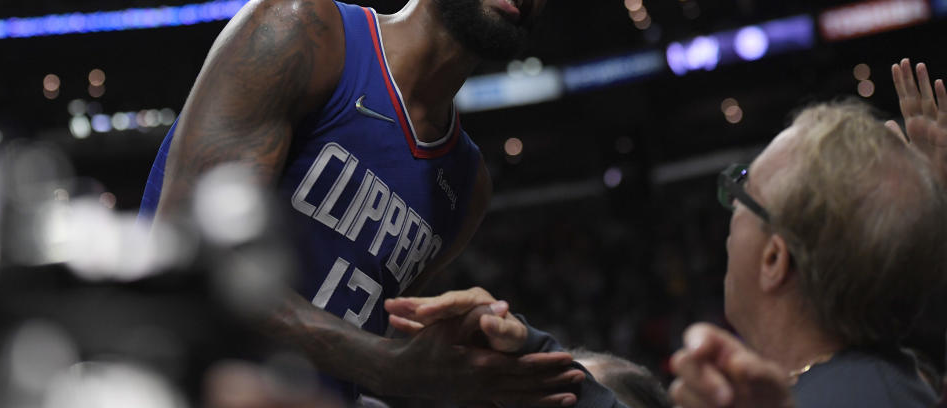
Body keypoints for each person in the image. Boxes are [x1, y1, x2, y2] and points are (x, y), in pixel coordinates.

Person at [138, 0, 586, 406]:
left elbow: (366, 336)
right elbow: (189, 254)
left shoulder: (467, 185)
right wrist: (388, 365)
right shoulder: (303, 30)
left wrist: (467, 366)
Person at [387, 67, 947, 408]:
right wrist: (526, 357)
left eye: (742, 191)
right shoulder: (878, 382)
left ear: (776, 258)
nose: (729, 216)